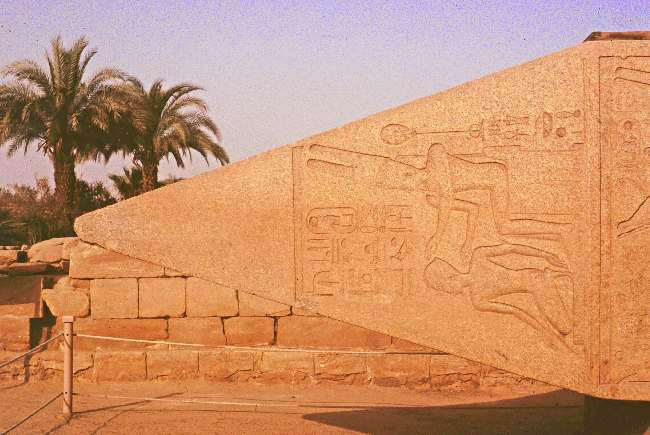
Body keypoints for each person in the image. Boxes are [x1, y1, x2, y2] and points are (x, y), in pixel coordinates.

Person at [424, 243, 573, 350]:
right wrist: (544, 332)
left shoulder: (478, 260)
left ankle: (552, 277)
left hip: (537, 282)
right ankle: (552, 277)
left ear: (450, 277)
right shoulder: (478, 299)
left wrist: (547, 255)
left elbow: (511, 248)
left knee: (565, 328)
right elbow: (516, 311)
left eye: (444, 288)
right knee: (563, 331)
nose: (449, 293)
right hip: (534, 282)